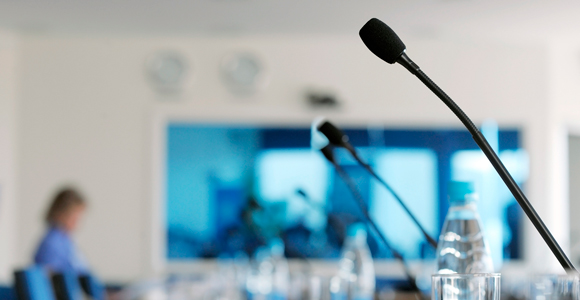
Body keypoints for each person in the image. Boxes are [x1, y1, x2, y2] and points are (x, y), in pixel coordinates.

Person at [34, 187, 89, 274]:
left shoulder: (65, 240)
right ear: (61, 213)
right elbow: (53, 280)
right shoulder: (52, 243)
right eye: (75, 217)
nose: (77, 222)